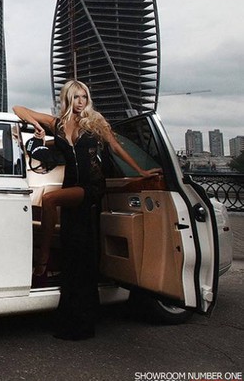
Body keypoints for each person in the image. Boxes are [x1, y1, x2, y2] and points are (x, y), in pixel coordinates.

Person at [13, 79, 160, 340]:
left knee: (50, 200)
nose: (81, 102)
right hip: (71, 185)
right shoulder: (58, 124)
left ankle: (42, 260)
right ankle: (73, 319)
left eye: (84, 97)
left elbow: (115, 147)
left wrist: (140, 171)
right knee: (74, 254)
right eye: (76, 97)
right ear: (67, 98)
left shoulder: (95, 122)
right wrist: (37, 127)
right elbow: (18, 109)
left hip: (91, 186)